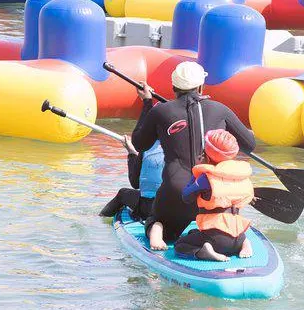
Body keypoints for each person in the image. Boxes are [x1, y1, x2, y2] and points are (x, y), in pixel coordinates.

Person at [132, 61, 256, 250]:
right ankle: (235, 239)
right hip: (212, 194)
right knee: (213, 228)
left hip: (177, 192)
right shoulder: (220, 109)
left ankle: (157, 228)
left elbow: (139, 144)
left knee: (159, 221)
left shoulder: (160, 111)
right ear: (200, 86)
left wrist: (147, 103)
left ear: (174, 87)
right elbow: (249, 145)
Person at [174, 129, 253, 261]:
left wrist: (196, 174)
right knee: (194, 233)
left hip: (217, 240)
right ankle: (244, 243)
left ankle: (204, 251)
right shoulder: (241, 176)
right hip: (239, 236)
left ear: (207, 155)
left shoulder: (206, 178)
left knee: (180, 244)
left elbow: (186, 196)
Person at [99, 135, 164, 221]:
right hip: (179, 208)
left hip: (151, 209)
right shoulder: (183, 148)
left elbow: (135, 183)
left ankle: (100, 217)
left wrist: (131, 153)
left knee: (122, 193)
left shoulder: (146, 149)